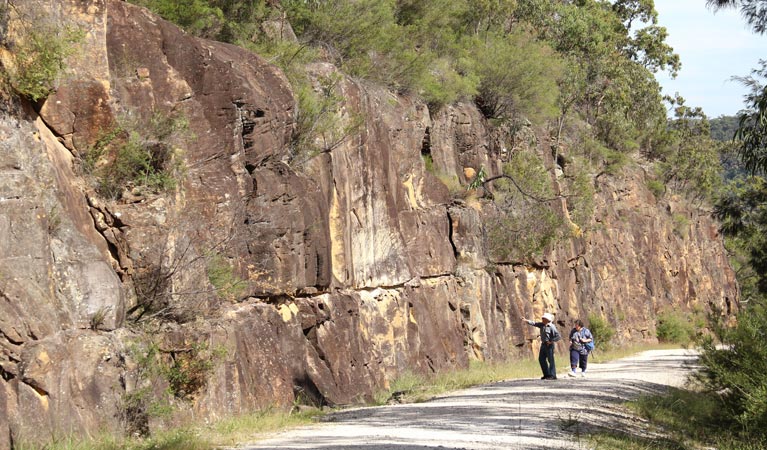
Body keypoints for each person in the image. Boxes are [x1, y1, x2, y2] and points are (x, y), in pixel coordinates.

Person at [522, 312, 561, 380]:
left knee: (550, 360)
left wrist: (551, 341)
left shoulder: (552, 327)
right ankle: (546, 374)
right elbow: (534, 323)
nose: (542, 319)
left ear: (547, 319)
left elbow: (558, 336)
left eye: (544, 318)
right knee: (541, 359)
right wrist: (526, 320)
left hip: (549, 346)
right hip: (543, 345)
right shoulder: (542, 325)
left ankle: (553, 375)